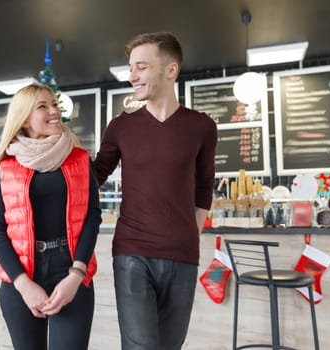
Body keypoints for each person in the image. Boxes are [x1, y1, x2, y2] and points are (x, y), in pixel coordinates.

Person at [94, 32, 218, 350]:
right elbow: (92, 177)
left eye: (141, 67)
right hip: (132, 252)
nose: (132, 76)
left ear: (170, 70)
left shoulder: (202, 127)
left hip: (182, 254)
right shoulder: (121, 126)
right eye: (131, 68)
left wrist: (192, 233)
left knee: (170, 346)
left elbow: (204, 187)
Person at [0, 82, 102, 350]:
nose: (54, 111)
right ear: (24, 120)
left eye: (55, 105)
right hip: (20, 274)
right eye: (43, 107)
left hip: (70, 268)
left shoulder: (80, 159)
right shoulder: (7, 167)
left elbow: (92, 217)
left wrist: (76, 276)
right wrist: (23, 284)